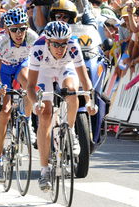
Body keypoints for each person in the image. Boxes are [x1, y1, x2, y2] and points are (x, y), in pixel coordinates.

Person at [26, 21, 97, 191]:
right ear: (48, 41)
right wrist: (35, 103)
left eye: (63, 43)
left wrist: (89, 101)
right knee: (45, 114)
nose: (60, 48)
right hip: (44, 71)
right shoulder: (38, 48)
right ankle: (44, 170)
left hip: (65, 68)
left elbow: (85, 79)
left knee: (72, 91)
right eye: (56, 44)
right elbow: (30, 85)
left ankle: (70, 131)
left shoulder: (73, 45)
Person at [0, 8, 39, 182]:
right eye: (14, 29)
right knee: (4, 111)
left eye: (22, 28)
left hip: (21, 65)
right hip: (4, 70)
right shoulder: (1, 41)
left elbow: (37, 65)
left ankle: (27, 120)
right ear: (7, 30)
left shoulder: (33, 37)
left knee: (28, 81)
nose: (19, 33)